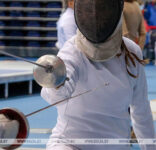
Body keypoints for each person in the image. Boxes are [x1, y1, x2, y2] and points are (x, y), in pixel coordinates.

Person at [41, 0, 155, 150]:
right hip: (71, 144)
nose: (96, 16)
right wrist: (56, 81)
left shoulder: (132, 52)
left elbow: (141, 111)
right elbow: (57, 97)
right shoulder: (71, 51)